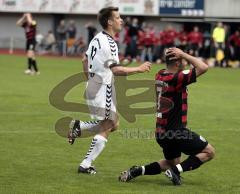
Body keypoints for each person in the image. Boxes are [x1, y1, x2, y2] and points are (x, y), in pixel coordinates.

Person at [67, 7, 151, 174]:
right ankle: (85, 164)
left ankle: (80, 126)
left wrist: (90, 80)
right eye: (118, 18)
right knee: (109, 124)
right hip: (102, 88)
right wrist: (139, 69)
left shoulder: (96, 38)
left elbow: (84, 59)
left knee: (114, 124)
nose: (122, 21)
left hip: (93, 85)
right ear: (110, 22)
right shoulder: (110, 42)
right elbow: (117, 70)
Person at [119, 47, 215, 185]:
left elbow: (192, 69)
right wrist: (183, 54)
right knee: (209, 152)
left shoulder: (160, 74)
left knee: (171, 162)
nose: (186, 63)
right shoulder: (176, 78)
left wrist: (181, 55)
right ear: (177, 63)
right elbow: (203, 67)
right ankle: (175, 172)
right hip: (176, 132)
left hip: (161, 132)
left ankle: (136, 171)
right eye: (183, 60)